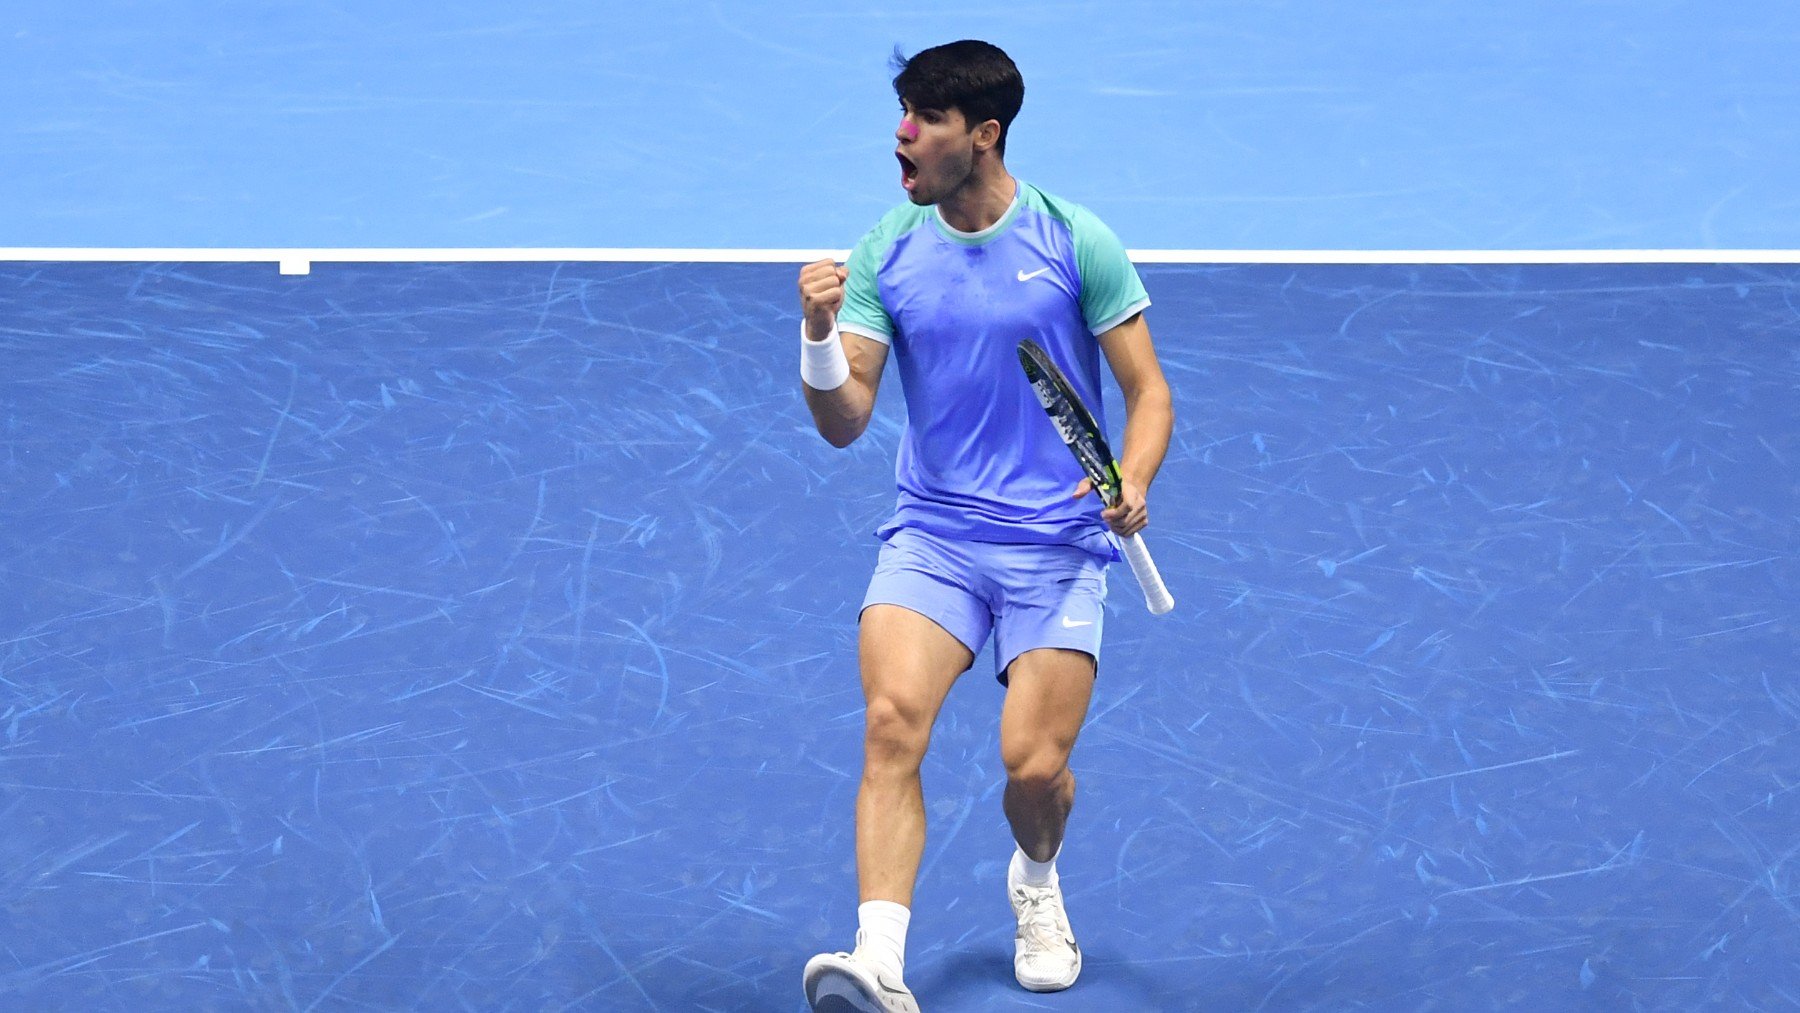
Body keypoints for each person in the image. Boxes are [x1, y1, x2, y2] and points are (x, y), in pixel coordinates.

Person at [796, 39, 1173, 1012]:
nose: (902, 133)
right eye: (903, 114)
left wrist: (1131, 473)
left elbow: (1147, 391)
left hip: (1056, 546)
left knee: (1033, 766)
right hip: (937, 534)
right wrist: (818, 336)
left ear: (984, 135)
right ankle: (878, 957)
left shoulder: (1072, 240)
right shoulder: (888, 247)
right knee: (891, 724)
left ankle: (1037, 880)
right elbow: (844, 423)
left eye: (923, 119)